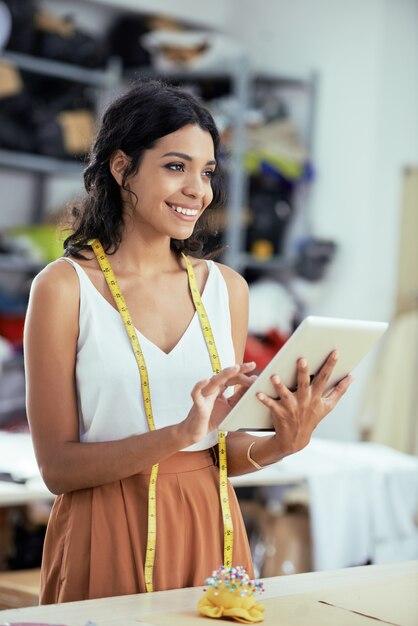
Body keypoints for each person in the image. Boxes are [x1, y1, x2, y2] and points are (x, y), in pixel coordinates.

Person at [24, 80, 353, 604]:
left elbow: (214, 453)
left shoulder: (227, 290)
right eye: (176, 166)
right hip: (106, 530)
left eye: (207, 173)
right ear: (121, 166)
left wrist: (281, 443)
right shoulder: (64, 288)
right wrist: (177, 433)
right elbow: (58, 470)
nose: (199, 190)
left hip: (211, 528)